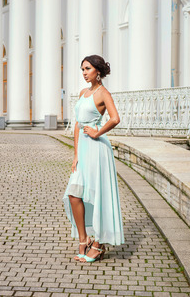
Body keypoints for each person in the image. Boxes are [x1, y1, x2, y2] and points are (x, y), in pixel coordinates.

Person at [63, 55, 124, 263]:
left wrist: (98, 132)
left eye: (87, 68)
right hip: (84, 150)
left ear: (97, 71)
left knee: (97, 195)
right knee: (74, 194)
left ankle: (98, 244)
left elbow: (115, 118)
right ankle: (83, 239)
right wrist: (76, 155)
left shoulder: (103, 93)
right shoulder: (83, 93)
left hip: (98, 150)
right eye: (82, 69)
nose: (84, 72)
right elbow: (78, 125)